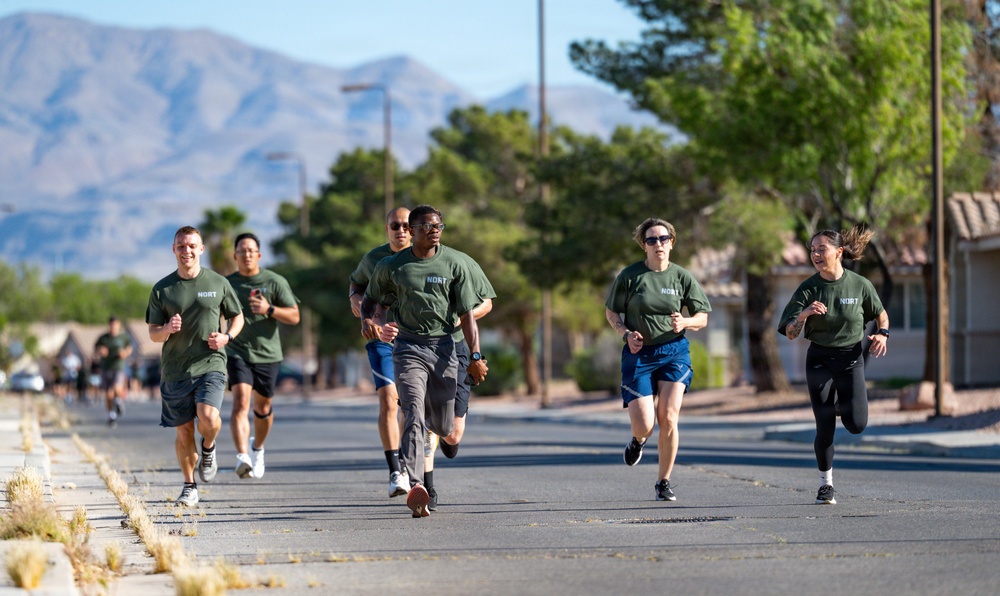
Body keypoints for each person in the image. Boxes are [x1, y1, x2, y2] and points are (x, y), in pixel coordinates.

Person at [361, 205, 489, 518]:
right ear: (415, 230)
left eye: (438, 226)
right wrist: (372, 322)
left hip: (446, 349)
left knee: (445, 426)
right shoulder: (392, 266)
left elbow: (469, 315)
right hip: (408, 349)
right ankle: (416, 483)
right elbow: (372, 302)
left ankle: (433, 440)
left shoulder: (455, 263)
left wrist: (474, 356)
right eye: (428, 226)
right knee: (412, 411)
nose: (435, 231)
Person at [777, 225, 888, 505]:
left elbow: (881, 315)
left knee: (857, 424)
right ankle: (826, 484)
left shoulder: (860, 284)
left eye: (821, 249)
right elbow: (790, 332)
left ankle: (842, 405)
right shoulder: (808, 288)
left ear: (838, 252)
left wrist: (882, 334)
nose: (815, 254)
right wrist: (803, 315)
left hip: (851, 359)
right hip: (819, 360)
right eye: (812, 250)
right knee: (824, 425)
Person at [604, 218, 711, 502]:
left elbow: (702, 318)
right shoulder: (630, 276)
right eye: (651, 240)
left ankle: (663, 481)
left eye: (663, 239)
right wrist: (625, 333)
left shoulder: (682, 277)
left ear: (672, 242)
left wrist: (685, 322)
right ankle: (638, 441)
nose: (658, 244)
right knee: (645, 425)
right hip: (639, 354)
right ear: (644, 245)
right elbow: (612, 313)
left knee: (669, 417)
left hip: (674, 352)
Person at [146, 226, 244, 507]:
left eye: (191, 246)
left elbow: (237, 317)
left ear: (201, 249)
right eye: (180, 246)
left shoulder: (218, 283)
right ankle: (190, 487)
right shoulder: (162, 289)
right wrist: (166, 328)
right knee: (184, 431)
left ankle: (209, 447)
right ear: (173, 250)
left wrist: (227, 337)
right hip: (175, 369)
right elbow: (153, 333)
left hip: (211, 363)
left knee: (209, 417)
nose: (186, 251)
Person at [349, 207, 414, 498]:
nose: (400, 230)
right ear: (386, 228)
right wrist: (361, 309)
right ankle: (395, 471)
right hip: (380, 339)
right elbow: (355, 283)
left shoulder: (426, 257)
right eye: (394, 225)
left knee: (409, 404)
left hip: (415, 340)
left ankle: (411, 458)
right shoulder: (373, 258)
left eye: (405, 225)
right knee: (389, 400)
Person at [420, 256, 494, 511]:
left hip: (456, 347)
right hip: (419, 348)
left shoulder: (461, 263)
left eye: (434, 226)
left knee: (452, 434)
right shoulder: (402, 265)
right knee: (426, 417)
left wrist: (461, 317)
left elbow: (486, 303)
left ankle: (448, 438)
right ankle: (427, 487)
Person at [226, 232, 301, 479]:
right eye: (241, 251)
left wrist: (269, 309)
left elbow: (294, 315)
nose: (246, 254)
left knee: (263, 407)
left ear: (258, 254)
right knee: (240, 402)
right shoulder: (227, 284)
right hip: (238, 352)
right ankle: (242, 457)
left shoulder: (274, 281)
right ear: (234, 255)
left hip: (268, 354)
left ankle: (257, 448)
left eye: (251, 250)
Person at [95, 316, 133, 426]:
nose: (113, 326)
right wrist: (101, 351)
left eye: (115, 324)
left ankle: (119, 402)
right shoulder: (104, 338)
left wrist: (125, 353)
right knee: (108, 394)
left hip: (118, 366)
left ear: (118, 324)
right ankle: (112, 415)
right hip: (106, 367)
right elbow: (96, 348)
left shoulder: (123, 337)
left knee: (117, 388)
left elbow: (129, 348)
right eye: (111, 324)